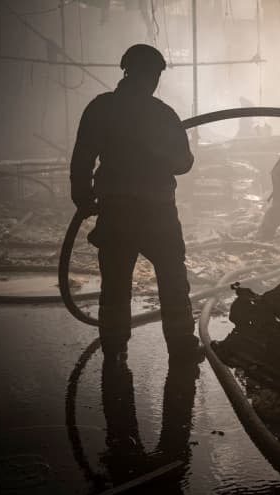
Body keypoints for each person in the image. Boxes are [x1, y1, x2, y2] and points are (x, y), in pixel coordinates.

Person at [70, 44, 199, 360]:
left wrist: (84, 198)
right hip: (158, 214)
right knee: (172, 280)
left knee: (115, 284)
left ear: (126, 70)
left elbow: (82, 160)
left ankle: (114, 349)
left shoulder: (101, 108)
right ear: (153, 75)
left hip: (117, 213)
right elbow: (184, 163)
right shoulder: (163, 115)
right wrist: (160, 153)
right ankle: (182, 346)